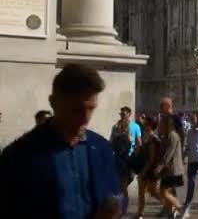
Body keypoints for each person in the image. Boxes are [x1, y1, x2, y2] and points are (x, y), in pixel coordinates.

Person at [0, 64, 121, 218]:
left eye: (91, 109)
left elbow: (114, 194)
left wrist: (114, 208)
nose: (85, 118)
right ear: (54, 103)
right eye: (76, 110)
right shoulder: (19, 155)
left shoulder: (101, 148)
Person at [111, 106, 143, 215]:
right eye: (121, 114)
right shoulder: (115, 127)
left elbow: (139, 143)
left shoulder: (134, 127)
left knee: (123, 186)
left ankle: (123, 211)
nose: (122, 116)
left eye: (124, 114)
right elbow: (112, 143)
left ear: (129, 114)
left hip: (127, 161)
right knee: (119, 186)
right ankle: (120, 210)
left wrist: (132, 155)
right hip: (117, 160)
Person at [155, 115, 185, 218]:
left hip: (173, 170)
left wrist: (160, 166)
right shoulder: (167, 135)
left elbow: (169, 153)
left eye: (162, 123)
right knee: (166, 192)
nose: (160, 124)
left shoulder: (173, 135)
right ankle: (169, 214)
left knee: (164, 192)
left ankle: (181, 209)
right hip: (169, 170)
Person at [136, 116, 162, 219]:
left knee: (153, 192)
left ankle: (170, 206)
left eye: (146, 123)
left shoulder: (153, 139)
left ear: (150, 126)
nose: (144, 124)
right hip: (145, 168)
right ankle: (140, 214)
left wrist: (143, 171)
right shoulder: (146, 137)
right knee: (141, 192)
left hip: (150, 170)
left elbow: (151, 159)